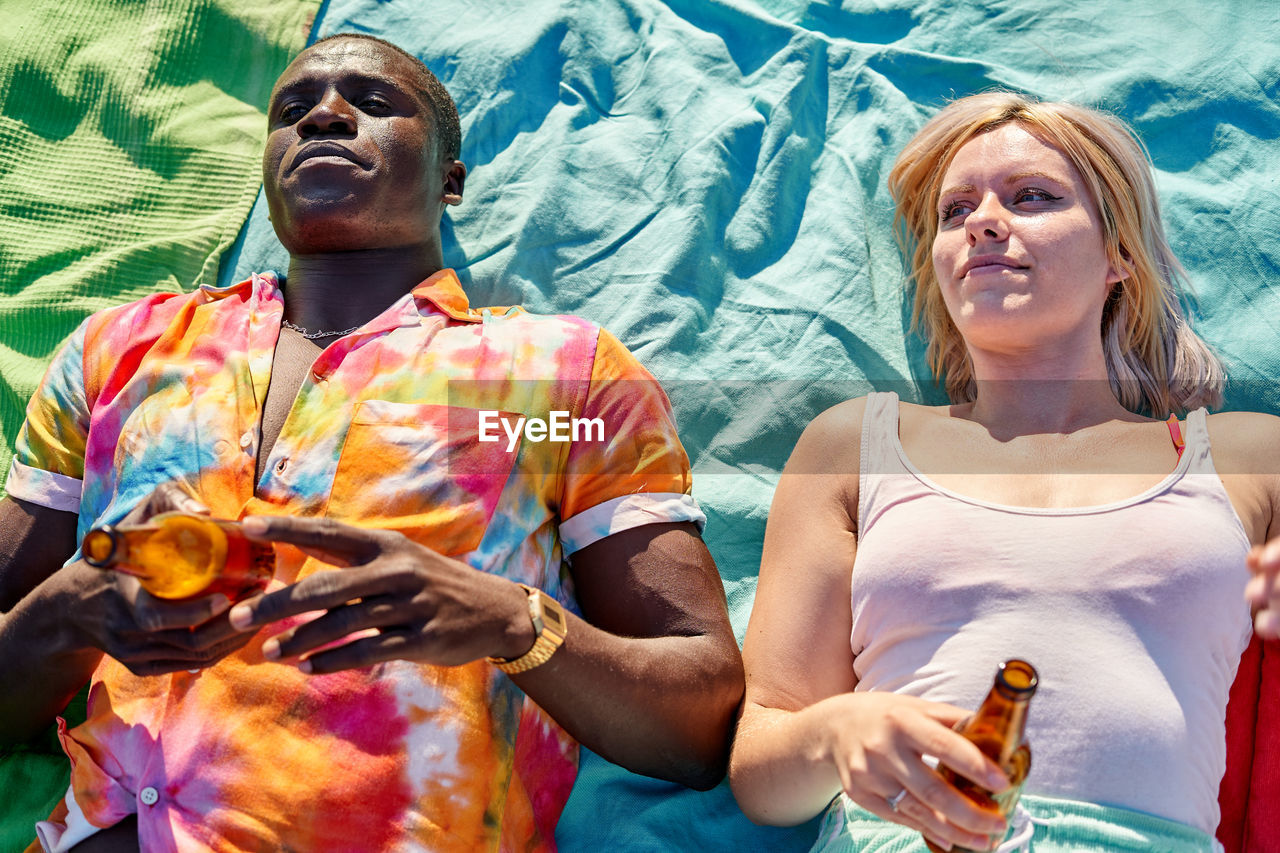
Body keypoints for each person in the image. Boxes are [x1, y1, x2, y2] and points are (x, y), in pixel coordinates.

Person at [0, 33, 743, 852]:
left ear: (449, 179)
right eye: (292, 110)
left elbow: (701, 725)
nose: (323, 114)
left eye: (374, 102)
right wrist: (66, 616)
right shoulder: (121, 350)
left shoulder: (557, 373)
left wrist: (510, 620)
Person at [728, 92, 1280, 852]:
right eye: (955, 212)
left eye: (1032, 197)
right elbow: (760, 772)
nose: (984, 220)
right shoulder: (852, 446)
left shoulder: (1247, 458)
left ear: (1120, 254)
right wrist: (836, 732)